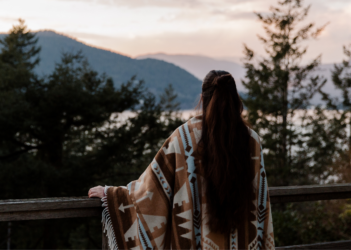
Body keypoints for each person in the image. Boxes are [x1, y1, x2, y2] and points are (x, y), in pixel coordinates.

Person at [88, 70, 274, 250]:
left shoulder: (184, 138)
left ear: (202, 98)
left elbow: (151, 188)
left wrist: (112, 195)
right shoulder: (252, 140)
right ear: (235, 99)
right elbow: (260, 200)